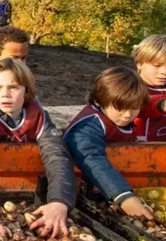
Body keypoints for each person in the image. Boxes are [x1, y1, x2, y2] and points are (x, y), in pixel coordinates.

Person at [0, 59, 76, 237]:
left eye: (13, 87)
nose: (5, 94)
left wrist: (60, 201)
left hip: (26, 188)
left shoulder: (39, 117)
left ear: (26, 90)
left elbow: (56, 155)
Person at [64, 67, 153, 219]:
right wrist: (123, 195)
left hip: (111, 188)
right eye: (120, 108)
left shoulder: (120, 120)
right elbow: (90, 157)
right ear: (100, 101)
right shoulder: (88, 125)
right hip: (79, 190)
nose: (127, 115)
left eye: (134, 108)